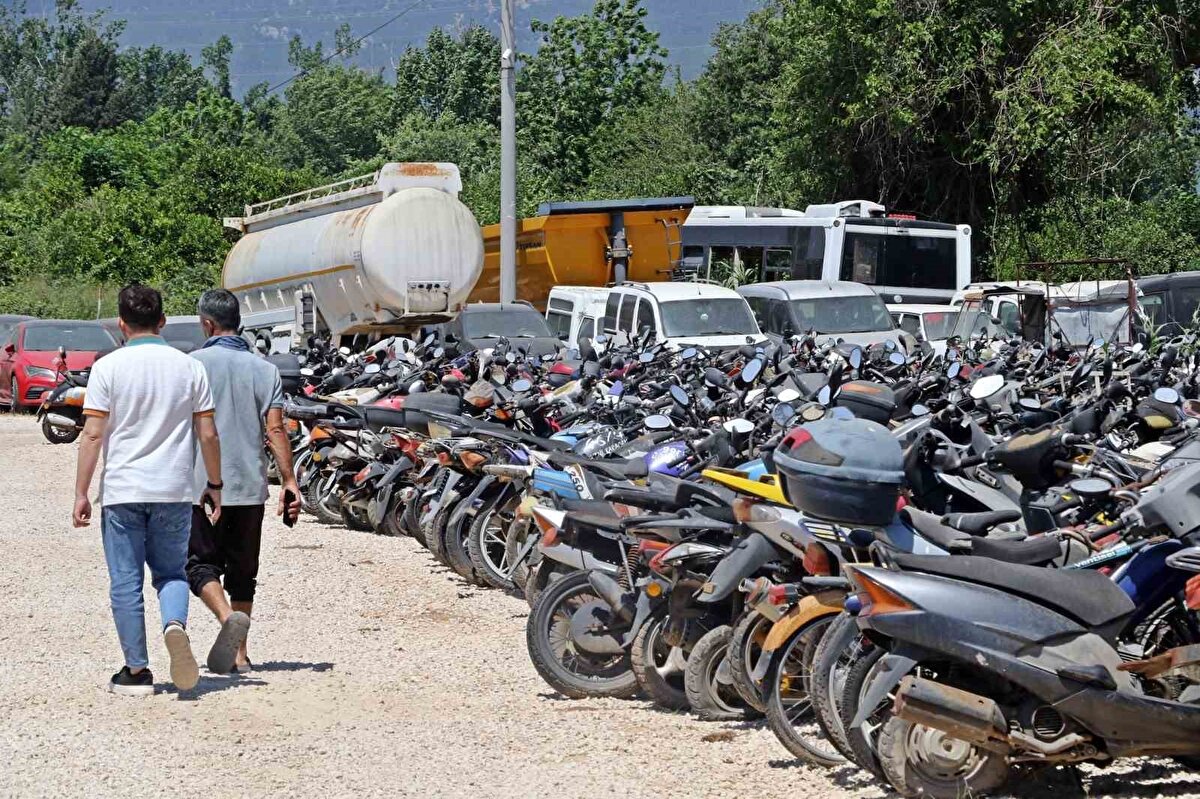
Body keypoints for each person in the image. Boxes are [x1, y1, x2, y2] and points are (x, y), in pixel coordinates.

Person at [73, 284, 223, 696]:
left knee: (125, 580)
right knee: (171, 572)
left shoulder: (108, 367)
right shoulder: (190, 367)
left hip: (123, 489)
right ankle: (174, 624)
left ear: (121, 324)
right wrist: (214, 484)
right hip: (174, 488)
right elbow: (208, 434)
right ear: (162, 321)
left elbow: (92, 434)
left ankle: (137, 671)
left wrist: (81, 492)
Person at [187, 289, 301, 674]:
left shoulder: (192, 365)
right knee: (243, 574)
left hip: (203, 485)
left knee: (200, 566)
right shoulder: (264, 370)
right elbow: (276, 430)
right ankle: (239, 654)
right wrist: (289, 481)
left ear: (207, 324)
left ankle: (225, 622)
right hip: (251, 485)